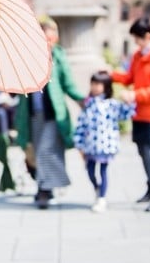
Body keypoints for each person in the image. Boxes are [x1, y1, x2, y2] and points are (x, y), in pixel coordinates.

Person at [14, 17, 85, 210]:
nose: (49, 42)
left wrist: (83, 100)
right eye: (45, 38)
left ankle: (43, 191)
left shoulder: (59, 57)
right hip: (31, 113)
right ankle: (45, 187)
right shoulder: (27, 57)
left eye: (52, 39)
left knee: (46, 151)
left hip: (53, 114)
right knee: (34, 153)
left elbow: (68, 84)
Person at [110, 16, 150, 212]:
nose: (136, 43)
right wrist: (111, 74)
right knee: (143, 153)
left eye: (138, 39)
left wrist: (135, 94)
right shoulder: (139, 55)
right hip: (139, 111)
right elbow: (130, 77)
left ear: (147, 36)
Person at [73, 71, 135, 213]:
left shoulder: (112, 104)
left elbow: (125, 115)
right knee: (89, 170)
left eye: (98, 84)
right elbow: (81, 124)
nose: (95, 87)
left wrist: (128, 101)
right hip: (90, 145)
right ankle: (97, 188)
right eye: (93, 84)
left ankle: (102, 197)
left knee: (103, 171)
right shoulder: (88, 104)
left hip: (105, 145)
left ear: (105, 86)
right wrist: (79, 144)